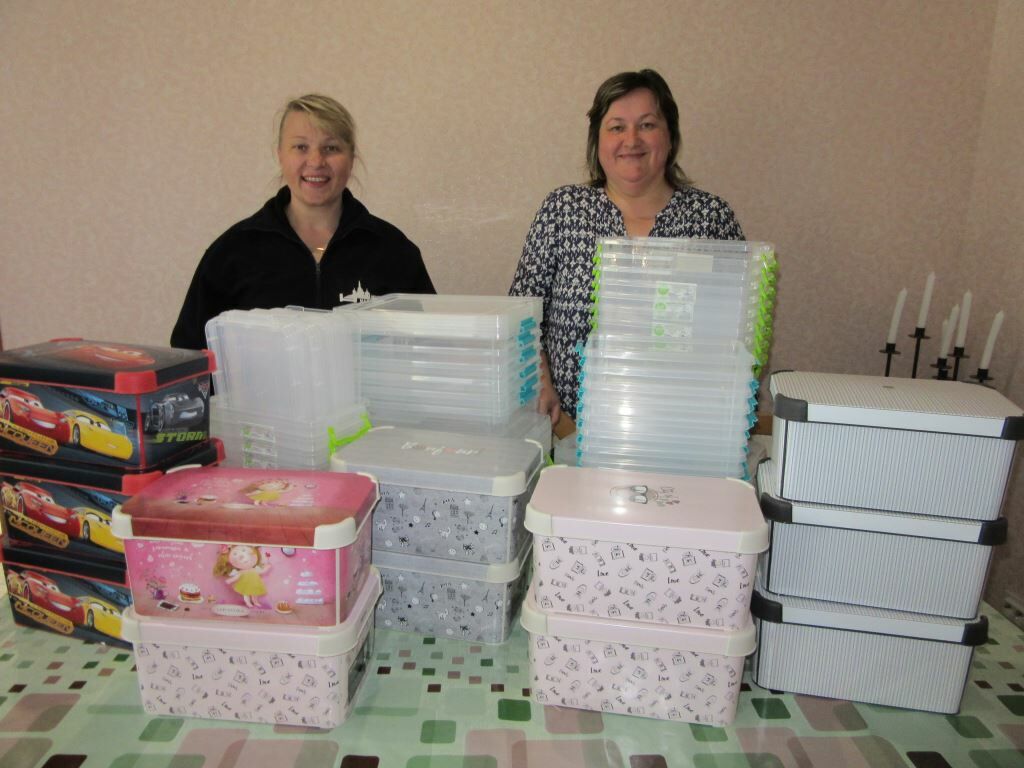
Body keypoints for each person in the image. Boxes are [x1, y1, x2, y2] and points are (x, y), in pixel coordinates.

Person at [509, 69, 745, 425]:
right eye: (617, 127)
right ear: (597, 141)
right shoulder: (564, 209)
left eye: (647, 125)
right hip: (569, 427)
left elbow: (737, 332)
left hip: (683, 426)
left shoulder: (710, 217)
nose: (631, 140)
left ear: (670, 136)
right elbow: (521, 312)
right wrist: (541, 384)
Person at [171, 94, 435, 350]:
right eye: (300, 147)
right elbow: (190, 356)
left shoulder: (392, 250)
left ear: (351, 158)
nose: (316, 161)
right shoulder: (233, 252)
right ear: (280, 155)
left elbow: (428, 348)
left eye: (331, 148)